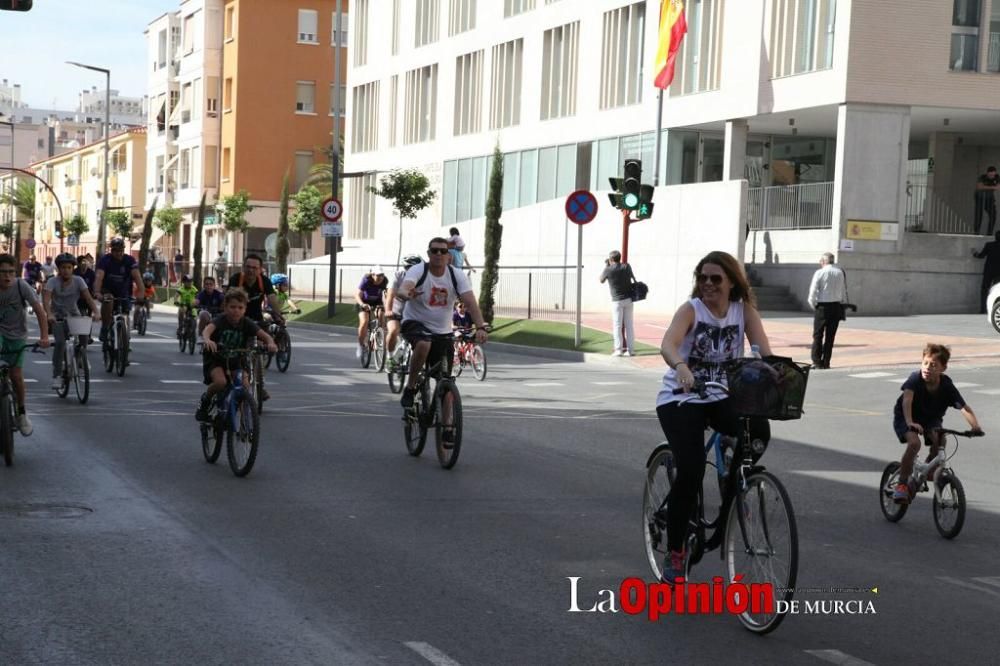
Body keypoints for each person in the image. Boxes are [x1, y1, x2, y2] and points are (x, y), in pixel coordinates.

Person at [654, 250, 772, 584]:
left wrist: (775, 372)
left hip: (721, 395)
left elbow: (764, 350)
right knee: (690, 470)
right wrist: (680, 366)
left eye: (715, 278)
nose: (707, 284)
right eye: (702, 277)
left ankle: (731, 491)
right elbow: (669, 344)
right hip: (681, 397)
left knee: (758, 431)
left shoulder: (743, 311)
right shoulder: (692, 310)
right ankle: (676, 554)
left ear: (732, 282)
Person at [397, 238, 489, 418]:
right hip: (415, 322)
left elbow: (470, 301)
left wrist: (480, 326)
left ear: (449, 256)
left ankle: (447, 430)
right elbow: (404, 288)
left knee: (446, 383)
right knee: (424, 343)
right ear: (429, 254)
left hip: (443, 331)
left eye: (443, 251)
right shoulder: (419, 270)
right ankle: (410, 387)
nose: (439, 254)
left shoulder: (456, 275)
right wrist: (407, 294)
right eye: (435, 251)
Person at [891, 343, 983, 504]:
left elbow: (964, 407)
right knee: (914, 443)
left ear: (943, 368)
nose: (927, 368)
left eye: (933, 365)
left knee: (941, 439)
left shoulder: (946, 386)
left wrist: (975, 427)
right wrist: (910, 422)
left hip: (930, 419)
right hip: (907, 416)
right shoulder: (915, 379)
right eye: (925, 363)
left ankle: (926, 469)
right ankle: (902, 485)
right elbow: (907, 400)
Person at [196, 287, 277, 422]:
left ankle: (243, 420)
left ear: (245, 309)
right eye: (232, 307)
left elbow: (265, 336)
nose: (236, 311)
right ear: (225, 307)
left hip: (236, 361)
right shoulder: (221, 320)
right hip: (217, 359)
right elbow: (207, 331)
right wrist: (208, 340)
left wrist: (271, 343)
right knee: (221, 382)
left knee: (245, 385)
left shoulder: (246, 323)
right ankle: (205, 402)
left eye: (240, 307)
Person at [0, 254, 50, 435]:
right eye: (3, 272)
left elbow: (39, 311)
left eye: (11, 272)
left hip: (17, 336)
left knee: (16, 375)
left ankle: (21, 413)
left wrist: (44, 336)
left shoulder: (21, 286)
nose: (7, 276)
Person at [227, 254, 284, 401]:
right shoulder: (236, 279)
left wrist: (278, 315)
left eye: (255, 268)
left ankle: (260, 385)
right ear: (243, 267)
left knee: (261, 349)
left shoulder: (264, 281)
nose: (251, 270)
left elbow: (271, 298)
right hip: (239, 319)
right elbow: (228, 300)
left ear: (260, 269)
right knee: (239, 350)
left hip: (257, 319)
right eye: (248, 267)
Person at [43, 254, 98, 390]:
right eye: (63, 267)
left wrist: (97, 312)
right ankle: (57, 375)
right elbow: (46, 300)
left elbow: (89, 298)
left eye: (69, 267)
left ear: (73, 268)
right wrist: (49, 314)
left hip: (74, 314)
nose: (66, 270)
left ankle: (81, 359)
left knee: (84, 335)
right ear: (58, 269)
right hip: (57, 316)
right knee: (60, 343)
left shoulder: (79, 280)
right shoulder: (52, 282)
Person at [93, 237, 145, 347]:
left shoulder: (130, 260)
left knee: (125, 314)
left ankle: (125, 338)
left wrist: (141, 294)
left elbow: (137, 278)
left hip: (124, 291)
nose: (118, 253)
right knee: (109, 300)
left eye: (121, 250)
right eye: (115, 250)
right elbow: (99, 277)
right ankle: (105, 327)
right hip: (108, 289)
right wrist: (97, 292)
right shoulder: (105, 260)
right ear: (111, 251)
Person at [807, 252, 847, 369]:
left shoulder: (820, 272)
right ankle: (826, 361)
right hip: (836, 306)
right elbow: (842, 290)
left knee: (818, 335)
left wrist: (813, 305)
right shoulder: (840, 272)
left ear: (824, 261)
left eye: (820, 261)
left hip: (822, 306)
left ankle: (817, 361)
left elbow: (813, 291)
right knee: (830, 336)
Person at [385, 254, 422, 372]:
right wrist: (388, 310)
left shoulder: (423, 277)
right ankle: (390, 358)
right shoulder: (398, 275)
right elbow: (390, 294)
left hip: (413, 311)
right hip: (397, 308)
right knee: (394, 330)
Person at [599, 250, 636, 357]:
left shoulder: (608, 269)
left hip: (617, 301)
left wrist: (607, 266)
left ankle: (618, 350)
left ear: (611, 259)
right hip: (629, 299)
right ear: (619, 258)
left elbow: (601, 280)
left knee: (617, 326)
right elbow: (632, 277)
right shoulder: (626, 267)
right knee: (629, 325)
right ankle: (631, 350)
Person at [355, 266, 388, 359]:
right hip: (363, 302)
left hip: (377, 302)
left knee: (382, 318)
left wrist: (386, 305)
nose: (380, 278)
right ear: (372, 275)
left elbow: (385, 295)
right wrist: (362, 304)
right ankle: (361, 345)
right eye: (378, 275)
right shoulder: (366, 280)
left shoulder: (384, 281)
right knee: (364, 321)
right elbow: (357, 294)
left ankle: (377, 337)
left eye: (382, 275)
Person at [972, 231, 1000, 314]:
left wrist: (974, 253)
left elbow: (981, 256)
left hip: (989, 271)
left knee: (984, 290)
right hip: (999, 273)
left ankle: (983, 309)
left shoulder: (989, 245)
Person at [974, 166, 999, 236]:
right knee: (979, 214)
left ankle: (989, 233)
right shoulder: (982, 177)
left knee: (993, 214)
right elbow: (979, 187)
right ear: (987, 173)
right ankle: (976, 232)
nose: (992, 176)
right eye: (991, 175)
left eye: (993, 175)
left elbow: (998, 187)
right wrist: (992, 187)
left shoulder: (997, 177)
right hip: (980, 197)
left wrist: (985, 187)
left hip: (989, 198)